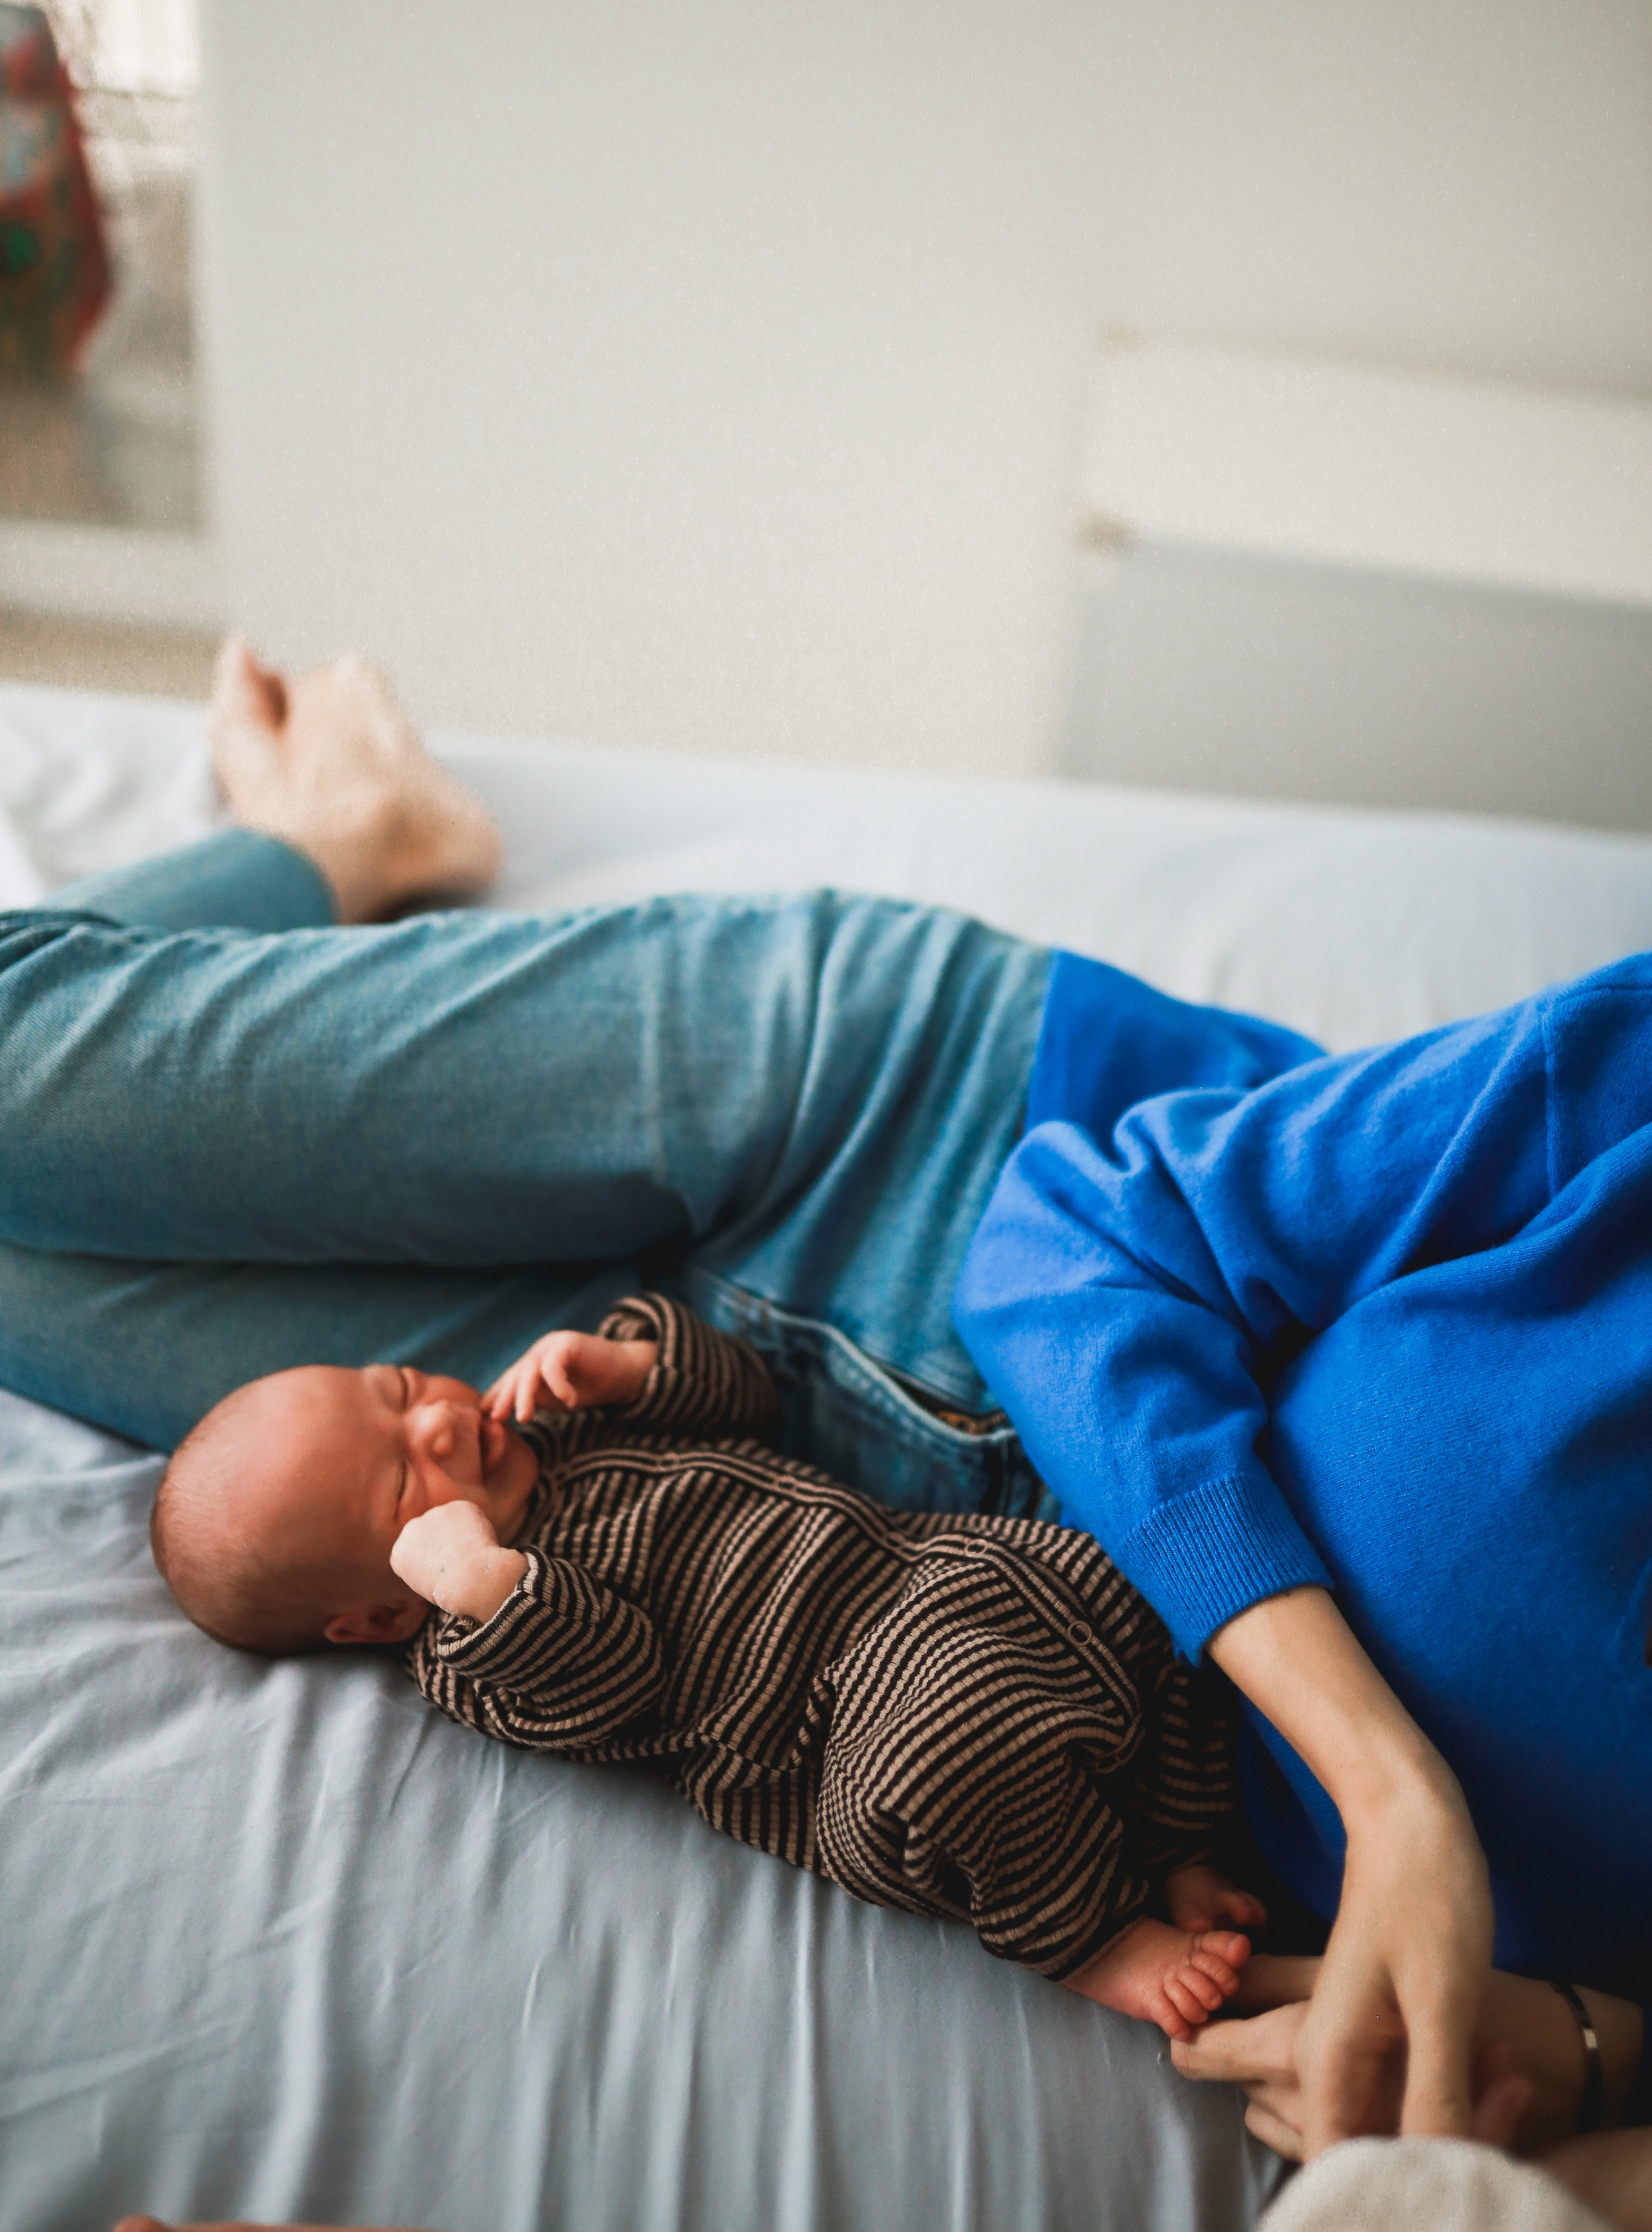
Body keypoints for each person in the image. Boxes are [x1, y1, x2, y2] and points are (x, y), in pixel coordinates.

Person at [0, 638, 1642, 2183]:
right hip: (917, 1148)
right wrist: (1389, 1789)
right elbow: (1084, 1242)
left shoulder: (448, 1485)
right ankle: (346, 833)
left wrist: (1573, 2049)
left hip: (821, 1522)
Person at [150, 1285, 1268, 2039]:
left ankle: (1182, 1834)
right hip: (840, 1723)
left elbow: (750, 1406)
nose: (437, 1427)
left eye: (396, 1389)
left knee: (1120, 1586)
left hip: (925, 1565)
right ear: (378, 1614)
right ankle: (1098, 1937)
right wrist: (484, 1586)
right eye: (401, 1484)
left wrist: (628, 1368)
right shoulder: (469, 1654)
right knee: (960, 1755)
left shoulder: (552, 1422)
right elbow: (619, 1674)